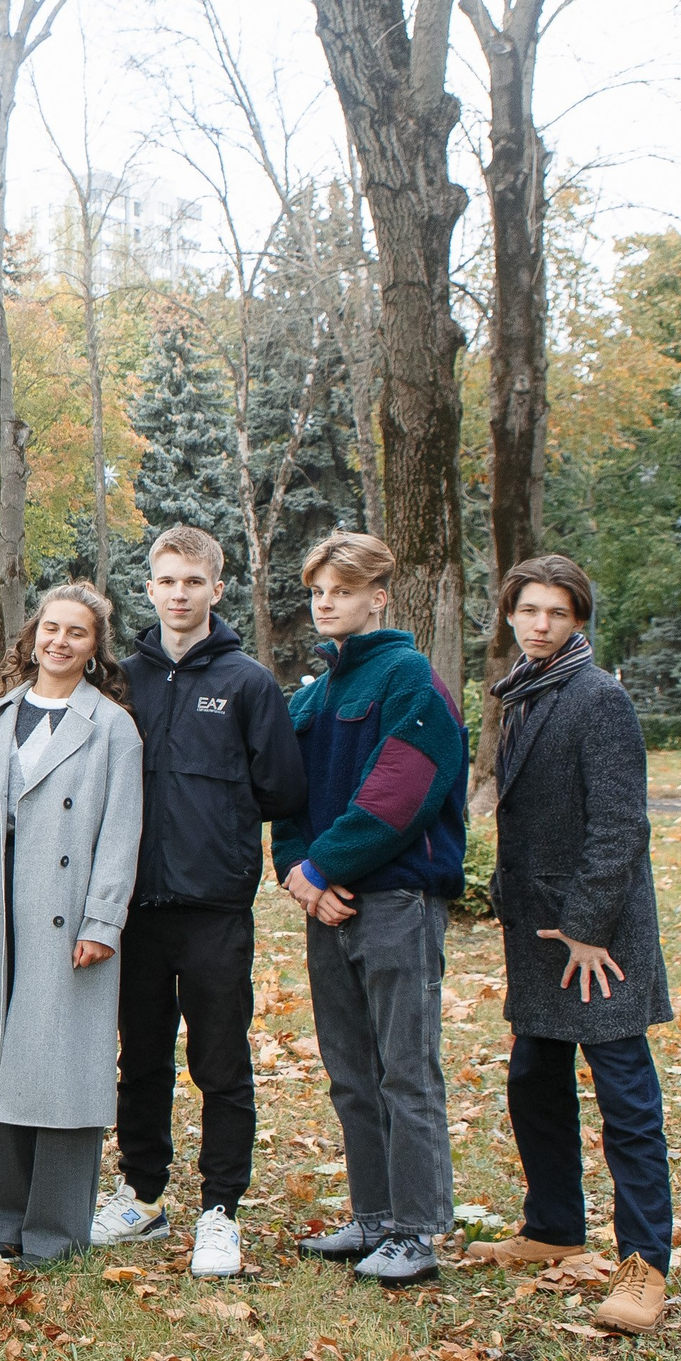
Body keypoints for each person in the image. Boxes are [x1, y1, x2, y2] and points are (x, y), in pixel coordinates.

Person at [466, 556, 674, 1333]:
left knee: (625, 1097)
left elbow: (622, 825)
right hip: (542, 932)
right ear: (512, 615)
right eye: (529, 610)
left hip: (599, 936)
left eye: (556, 611)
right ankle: (553, 1225)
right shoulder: (527, 691)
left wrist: (587, 927)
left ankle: (645, 1263)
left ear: (578, 617)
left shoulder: (599, 698)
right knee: (534, 1079)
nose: (541, 623)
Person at [97, 528, 306, 1277]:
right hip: (135, 908)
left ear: (218, 588)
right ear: (147, 588)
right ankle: (142, 1194)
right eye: (165, 580)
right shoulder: (122, 679)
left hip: (215, 907)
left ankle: (220, 1210)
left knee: (220, 1062)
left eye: (193, 580)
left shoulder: (248, 683)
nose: (178, 592)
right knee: (141, 1058)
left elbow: (282, 787)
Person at [273, 532, 468, 1288]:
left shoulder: (411, 680)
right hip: (328, 906)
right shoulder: (315, 694)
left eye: (342, 590)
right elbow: (286, 798)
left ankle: (417, 1231)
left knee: (404, 1070)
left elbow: (399, 794)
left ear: (377, 597)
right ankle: (377, 1216)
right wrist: (298, 872)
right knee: (351, 1070)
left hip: (397, 901)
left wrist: (324, 865)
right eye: (319, 589)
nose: (326, 602)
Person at [0, 583, 144, 1267]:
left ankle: (55, 1229)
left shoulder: (112, 726)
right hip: (0, 905)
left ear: (94, 649)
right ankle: (2, 1217)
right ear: (32, 636)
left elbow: (121, 831)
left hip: (68, 913)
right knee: (4, 1063)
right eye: (50, 628)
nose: (59, 641)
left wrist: (102, 919)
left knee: (61, 1067)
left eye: (76, 632)